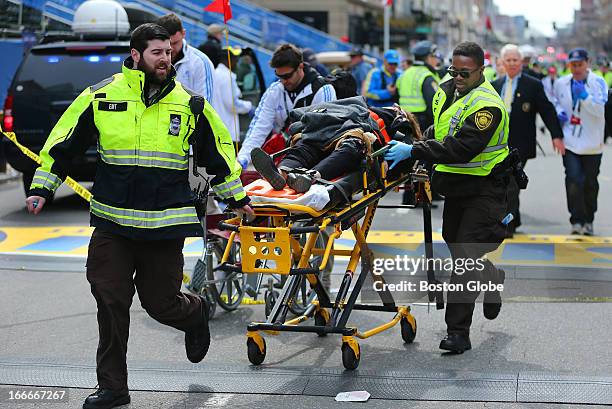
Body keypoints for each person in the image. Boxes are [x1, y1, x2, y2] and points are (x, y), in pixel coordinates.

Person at [25, 23, 252, 409]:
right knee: (109, 298)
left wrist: (236, 198)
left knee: (160, 304)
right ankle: (113, 387)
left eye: (169, 52)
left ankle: (195, 313)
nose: (166, 59)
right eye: (157, 53)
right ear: (136, 55)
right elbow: (62, 144)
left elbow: (220, 155)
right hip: (113, 223)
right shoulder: (101, 96)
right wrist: (42, 188)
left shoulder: (191, 104)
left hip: (164, 225)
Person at [384, 41, 511, 353]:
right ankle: (491, 276)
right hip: (456, 188)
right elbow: (440, 131)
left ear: (482, 70)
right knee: (458, 249)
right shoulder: (446, 88)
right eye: (454, 70)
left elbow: (462, 147)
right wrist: (418, 145)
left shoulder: (487, 105)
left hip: (486, 189)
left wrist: (415, 150)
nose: (457, 76)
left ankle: (458, 333)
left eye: (465, 72)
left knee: (465, 259)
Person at [492, 44, 564, 237]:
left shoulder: (532, 85)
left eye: (516, 60)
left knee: (511, 182)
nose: (512, 63)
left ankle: (508, 225)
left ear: (521, 63)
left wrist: (556, 136)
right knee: (504, 183)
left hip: (521, 144)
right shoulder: (495, 85)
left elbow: (547, 111)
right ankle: (514, 218)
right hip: (498, 144)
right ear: (502, 62)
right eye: (508, 60)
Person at [236, 43, 337, 168]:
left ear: (300, 67)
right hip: (284, 154)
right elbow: (259, 127)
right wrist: (242, 160)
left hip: (314, 155)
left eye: (287, 76)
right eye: (279, 76)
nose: (283, 81)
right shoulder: (274, 91)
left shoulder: (323, 90)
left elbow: (326, 133)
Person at [553, 48, 608, 235]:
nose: (576, 69)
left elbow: (600, 111)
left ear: (587, 63)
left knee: (590, 183)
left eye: (580, 64)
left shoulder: (598, 82)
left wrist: (585, 98)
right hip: (570, 140)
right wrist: (558, 111)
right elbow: (556, 101)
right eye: (573, 65)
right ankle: (576, 220)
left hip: (593, 142)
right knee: (574, 179)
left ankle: (589, 219)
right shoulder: (561, 83)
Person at [157, 13, 215, 104]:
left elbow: (206, 105)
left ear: (183, 33)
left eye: (175, 43)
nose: (170, 48)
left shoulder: (200, 62)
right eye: (167, 44)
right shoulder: (151, 59)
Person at [397, 40, 441, 132]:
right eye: (435, 57)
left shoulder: (405, 74)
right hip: (422, 122)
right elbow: (434, 104)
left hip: (403, 118)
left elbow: (396, 96)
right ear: (429, 58)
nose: (437, 60)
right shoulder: (426, 76)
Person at [213, 47, 253, 142]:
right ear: (228, 60)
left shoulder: (215, 73)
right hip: (227, 132)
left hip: (217, 130)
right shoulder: (228, 77)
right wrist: (249, 107)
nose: (237, 61)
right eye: (235, 58)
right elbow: (233, 104)